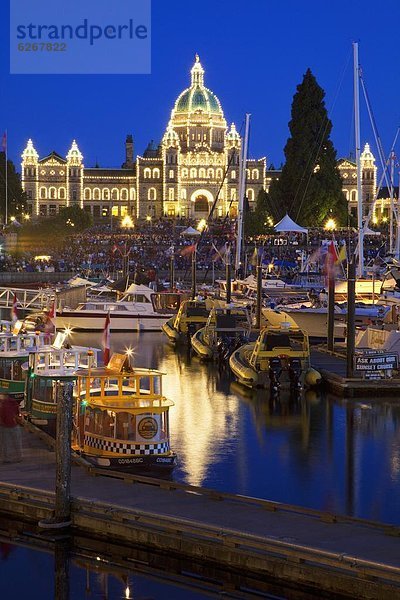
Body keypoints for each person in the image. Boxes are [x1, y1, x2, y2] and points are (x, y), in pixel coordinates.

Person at [0, 394, 23, 463]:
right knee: (17, 442)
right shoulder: (13, 402)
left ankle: (6, 458)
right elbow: (18, 412)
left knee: (5, 443)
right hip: (14, 425)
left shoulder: (1, 404)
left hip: (4, 426)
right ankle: (18, 457)